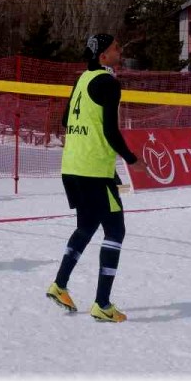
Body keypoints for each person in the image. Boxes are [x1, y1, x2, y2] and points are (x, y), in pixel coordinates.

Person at [47, 34, 140, 323]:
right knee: (115, 231)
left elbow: (65, 121)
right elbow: (111, 133)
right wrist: (134, 160)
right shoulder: (109, 83)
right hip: (93, 170)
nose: (120, 50)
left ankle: (59, 285)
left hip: (72, 166)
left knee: (86, 226)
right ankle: (102, 303)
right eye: (115, 48)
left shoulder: (83, 79)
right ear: (103, 56)